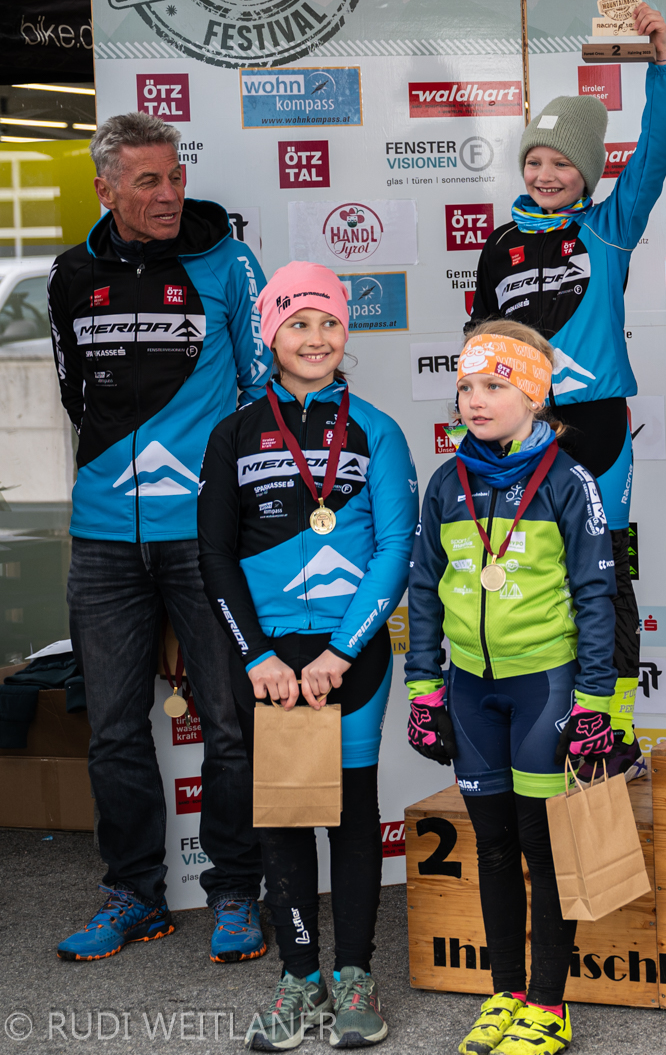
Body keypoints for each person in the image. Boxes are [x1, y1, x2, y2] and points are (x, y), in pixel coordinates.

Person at [46, 111, 269, 963]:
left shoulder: (229, 262)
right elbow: (76, 395)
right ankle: (133, 894)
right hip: (104, 535)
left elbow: (258, 391)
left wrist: (224, 504)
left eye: (175, 176)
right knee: (111, 729)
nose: (170, 193)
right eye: (149, 181)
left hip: (203, 536)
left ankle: (236, 891)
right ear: (105, 190)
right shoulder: (70, 274)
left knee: (231, 722)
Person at [198, 263, 417, 1050]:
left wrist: (341, 651)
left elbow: (396, 548)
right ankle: (300, 980)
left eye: (329, 323)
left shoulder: (377, 429)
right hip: (265, 661)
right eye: (298, 324)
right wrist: (257, 656)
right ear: (271, 335)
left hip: (348, 655)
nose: (316, 338)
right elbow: (214, 554)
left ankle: (354, 976)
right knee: (285, 815)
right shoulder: (233, 433)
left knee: (353, 813)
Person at [405, 321, 618, 1055]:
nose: (475, 400)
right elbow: (424, 591)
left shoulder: (568, 480)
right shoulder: (447, 483)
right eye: (466, 386)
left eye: (494, 386)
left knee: (541, 847)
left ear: (533, 394)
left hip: (545, 688)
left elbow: (597, 597)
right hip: (470, 689)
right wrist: (424, 687)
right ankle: (504, 994)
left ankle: (549, 1007)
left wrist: (595, 703)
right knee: (492, 846)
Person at [468, 3, 666, 757]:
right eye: (535, 161)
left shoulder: (609, 227)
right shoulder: (499, 245)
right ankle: (549, 718)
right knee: (528, 572)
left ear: (587, 171)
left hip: (597, 427)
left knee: (604, 578)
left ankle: (613, 729)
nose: (546, 175)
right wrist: (477, 424)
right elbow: (481, 351)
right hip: (521, 435)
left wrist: (660, 67)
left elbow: (656, 150)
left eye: (562, 163)